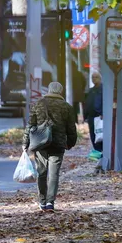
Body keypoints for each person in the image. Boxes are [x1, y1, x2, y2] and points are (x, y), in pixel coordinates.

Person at [25, 82, 78, 212]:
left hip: (41, 143)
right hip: (58, 144)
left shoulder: (39, 104)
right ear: (61, 91)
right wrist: (70, 143)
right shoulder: (67, 107)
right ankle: (50, 202)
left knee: (41, 173)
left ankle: (42, 201)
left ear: (49, 90)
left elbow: (30, 125)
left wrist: (25, 143)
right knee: (54, 174)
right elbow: (71, 128)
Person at [86, 71, 104, 149]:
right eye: (92, 77)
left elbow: (105, 101)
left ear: (100, 78)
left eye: (96, 77)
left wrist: (103, 113)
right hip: (91, 116)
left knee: (100, 132)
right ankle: (96, 150)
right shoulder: (90, 90)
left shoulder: (103, 89)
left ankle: (102, 149)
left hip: (99, 115)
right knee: (93, 133)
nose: (94, 79)